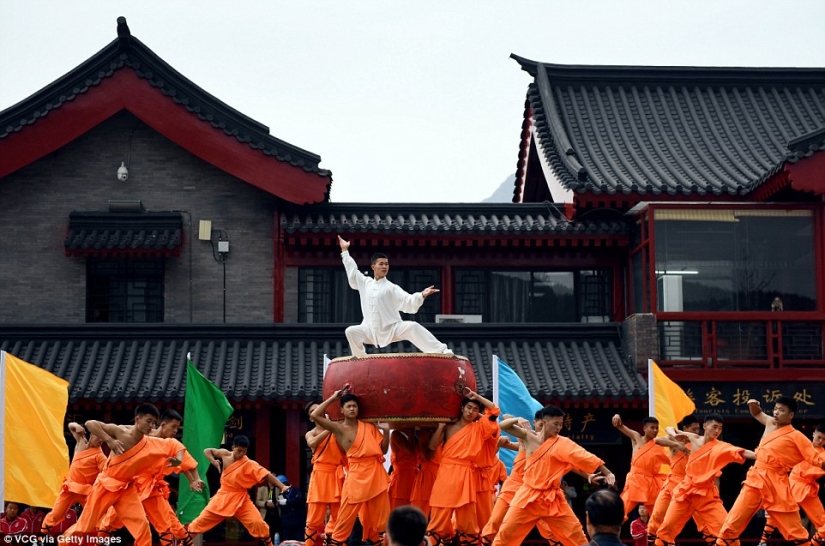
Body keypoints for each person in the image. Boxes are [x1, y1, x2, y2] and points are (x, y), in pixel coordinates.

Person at [491, 406, 616, 546]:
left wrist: (607, 472)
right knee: (505, 534)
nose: (559, 428)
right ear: (544, 422)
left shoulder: (562, 443)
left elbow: (583, 456)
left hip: (552, 498)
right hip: (527, 496)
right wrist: (518, 419)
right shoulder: (529, 437)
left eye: (561, 424)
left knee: (576, 534)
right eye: (556, 424)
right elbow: (504, 425)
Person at [62, 403, 184, 546]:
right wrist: (110, 441)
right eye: (148, 421)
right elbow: (91, 424)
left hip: (127, 489)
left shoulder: (150, 441)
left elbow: (175, 445)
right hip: (106, 486)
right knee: (85, 526)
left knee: (143, 528)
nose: (151, 426)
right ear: (137, 419)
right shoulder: (120, 431)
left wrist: (179, 460)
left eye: (154, 423)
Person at [717, 397, 825, 546]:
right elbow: (757, 413)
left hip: (776, 483)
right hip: (755, 479)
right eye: (775, 409)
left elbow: (816, 459)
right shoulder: (770, 422)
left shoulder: (796, 436)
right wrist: (753, 404)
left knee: (795, 531)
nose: (776, 412)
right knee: (731, 524)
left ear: (791, 415)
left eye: (781, 410)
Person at [97, 409, 203, 546]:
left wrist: (194, 480)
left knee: (167, 524)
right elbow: (121, 429)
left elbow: (183, 461)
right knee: (109, 522)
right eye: (173, 427)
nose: (176, 430)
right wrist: (110, 440)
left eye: (177, 428)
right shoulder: (144, 435)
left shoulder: (170, 443)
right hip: (131, 486)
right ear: (163, 425)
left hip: (152, 488)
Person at [337, 236, 452, 358]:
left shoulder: (391, 287)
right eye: (381, 264)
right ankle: (360, 359)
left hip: (391, 329)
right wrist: (345, 251)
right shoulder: (365, 283)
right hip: (369, 330)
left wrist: (422, 295)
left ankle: (441, 351)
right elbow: (353, 272)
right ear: (373, 267)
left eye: (386, 264)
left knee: (412, 326)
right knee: (351, 332)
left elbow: (408, 301)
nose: (384, 267)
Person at [654, 414, 755, 546]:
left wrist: (760, 455)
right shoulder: (693, 438)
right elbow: (669, 429)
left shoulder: (721, 446)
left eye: (720, 428)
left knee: (726, 531)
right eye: (715, 427)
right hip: (685, 490)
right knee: (667, 526)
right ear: (705, 426)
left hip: (706, 494)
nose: (717, 431)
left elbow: (742, 452)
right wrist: (675, 437)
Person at [311, 388, 391, 546]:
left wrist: (387, 432)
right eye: (348, 406)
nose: (352, 409)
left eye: (355, 406)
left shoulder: (368, 427)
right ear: (342, 410)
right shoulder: (339, 428)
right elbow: (315, 415)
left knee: (383, 522)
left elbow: (383, 450)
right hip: (356, 476)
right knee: (344, 520)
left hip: (375, 473)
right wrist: (333, 398)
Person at [426, 390, 500, 546]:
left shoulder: (479, 428)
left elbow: (494, 411)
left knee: (468, 519)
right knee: (439, 513)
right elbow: (432, 447)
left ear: (478, 414)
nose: (471, 412)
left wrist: (477, 397)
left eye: (475, 409)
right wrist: (440, 427)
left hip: (466, 473)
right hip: (446, 472)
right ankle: (441, 539)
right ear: (462, 408)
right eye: (469, 407)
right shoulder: (448, 427)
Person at [187, 435, 289, 546]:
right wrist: (213, 461)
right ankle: (182, 542)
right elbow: (207, 451)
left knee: (258, 523)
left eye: (244, 451)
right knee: (200, 521)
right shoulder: (224, 454)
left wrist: (281, 486)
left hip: (241, 498)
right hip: (223, 496)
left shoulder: (249, 463)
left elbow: (267, 474)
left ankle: (269, 544)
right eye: (239, 450)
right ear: (233, 447)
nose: (241, 454)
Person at [763, 425, 825, 545]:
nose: (821, 441)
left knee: (820, 522)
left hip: (806, 489)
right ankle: (763, 541)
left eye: (824, 439)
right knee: (776, 513)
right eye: (819, 437)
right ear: (813, 434)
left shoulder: (823, 455)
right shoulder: (801, 445)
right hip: (791, 484)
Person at [41, 421, 107, 535]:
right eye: (98, 436)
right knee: (56, 513)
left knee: (96, 514)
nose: (100, 440)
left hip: (86, 491)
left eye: (103, 438)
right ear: (92, 434)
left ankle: (103, 536)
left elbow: (106, 473)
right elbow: (70, 426)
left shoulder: (100, 456)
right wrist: (76, 426)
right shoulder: (81, 442)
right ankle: (42, 535)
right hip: (69, 487)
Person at [646, 415, 702, 546]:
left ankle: (666, 541)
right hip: (671, 483)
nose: (696, 432)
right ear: (685, 429)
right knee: (657, 515)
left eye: (698, 429)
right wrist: (676, 444)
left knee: (675, 522)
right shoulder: (676, 440)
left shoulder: (698, 442)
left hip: (687, 486)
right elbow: (658, 440)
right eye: (693, 429)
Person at [304, 401, 346, 546]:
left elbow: (346, 448)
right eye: (313, 411)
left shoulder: (337, 430)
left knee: (339, 517)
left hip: (336, 475)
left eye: (319, 408)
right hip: (320, 476)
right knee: (313, 519)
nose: (318, 411)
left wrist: (335, 428)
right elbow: (312, 443)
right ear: (311, 418)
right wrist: (330, 427)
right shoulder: (311, 433)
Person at [613, 415, 669, 519]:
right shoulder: (636, 437)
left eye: (657, 428)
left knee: (657, 513)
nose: (655, 430)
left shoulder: (658, 447)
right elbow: (621, 427)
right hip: (635, 479)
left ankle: (657, 529)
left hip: (651, 483)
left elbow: (671, 461)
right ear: (645, 428)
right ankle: (610, 526)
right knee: (623, 507)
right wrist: (617, 418)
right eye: (652, 427)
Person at [410, 428, 441, 519]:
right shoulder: (424, 433)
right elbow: (428, 456)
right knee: (420, 512)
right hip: (427, 476)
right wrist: (439, 430)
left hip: (438, 475)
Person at [275, 475, 306, 541]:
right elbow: (282, 506)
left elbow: (299, 500)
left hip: (297, 522)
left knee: (299, 541)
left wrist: (287, 501)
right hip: (287, 523)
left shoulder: (296, 491)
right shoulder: (280, 495)